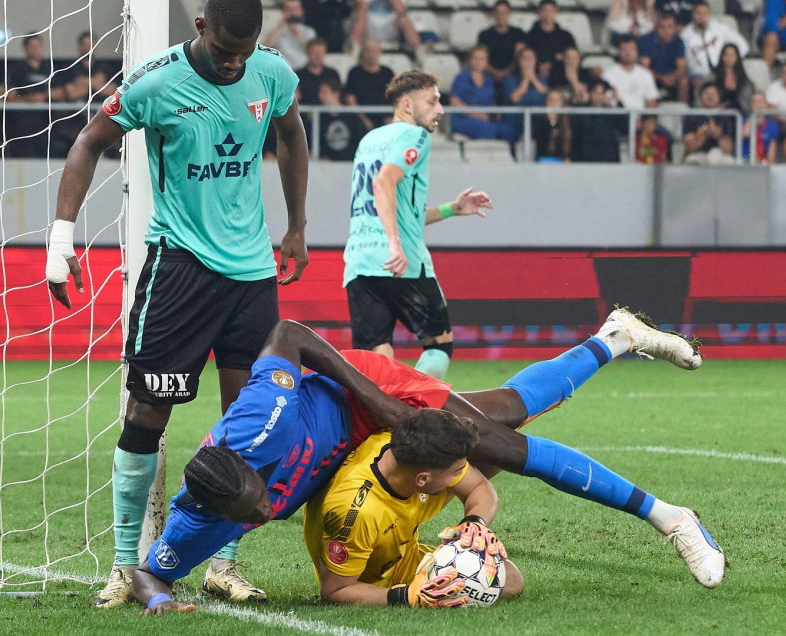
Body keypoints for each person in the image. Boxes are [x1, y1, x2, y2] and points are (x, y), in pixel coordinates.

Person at [130, 311, 718, 615]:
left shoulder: (262, 421)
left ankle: (671, 518)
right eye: (249, 515)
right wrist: (157, 599)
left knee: (499, 448)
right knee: (505, 414)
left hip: (363, 401)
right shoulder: (203, 516)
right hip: (351, 456)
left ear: (252, 465)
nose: (263, 511)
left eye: (259, 497)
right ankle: (615, 338)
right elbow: (150, 572)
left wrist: (375, 399)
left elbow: (289, 334)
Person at [44, 0, 310, 608]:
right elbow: (88, 141)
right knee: (147, 415)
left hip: (251, 276)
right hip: (179, 271)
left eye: (243, 53)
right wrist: (62, 237)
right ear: (200, 28)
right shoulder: (156, 81)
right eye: (223, 52)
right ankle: (121, 566)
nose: (233, 65)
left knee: (249, 424)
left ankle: (225, 563)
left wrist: (296, 227)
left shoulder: (271, 73)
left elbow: (291, 132)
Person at [343, 71, 489, 380]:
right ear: (407, 105)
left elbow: (395, 208)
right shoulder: (414, 136)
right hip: (403, 263)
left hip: (359, 263)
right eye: (433, 101)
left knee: (377, 358)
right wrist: (394, 244)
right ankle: (414, 414)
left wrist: (453, 208)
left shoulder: (370, 139)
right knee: (439, 345)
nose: (441, 109)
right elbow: (383, 184)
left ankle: (385, 424)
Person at [304, 412, 526, 606]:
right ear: (423, 479)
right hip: (367, 582)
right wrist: (407, 596)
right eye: (456, 471)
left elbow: (479, 487)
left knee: (509, 580)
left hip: (404, 558)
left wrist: (476, 523)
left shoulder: (412, 451)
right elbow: (334, 592)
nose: (460, 476)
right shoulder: (357, 512)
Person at [450, 45, 520, 150]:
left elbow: (491, 103)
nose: (478, 61)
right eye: (475, 58)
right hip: (464, 120)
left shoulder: (489, 81)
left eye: (482, 58)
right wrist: (476, 114)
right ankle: (486, 161)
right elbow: (454, 101)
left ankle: (512, 161)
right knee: (486, 128)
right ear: (470, 60)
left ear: (487, 61)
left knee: (508, 131)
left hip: (486, 120)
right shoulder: (461, 78)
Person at [5, 34, 55, 157]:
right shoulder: (17, 70)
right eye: (32, 46)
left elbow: (62, 91)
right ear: (26, 48)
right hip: (22, 127)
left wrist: (45, 95)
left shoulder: (49, 68)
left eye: (38, 45)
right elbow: (10, 96)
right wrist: (30, 99)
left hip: (46, 125)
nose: (35, 49)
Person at [680, 1, 749, 88]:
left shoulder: (719, 28)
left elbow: (743, 45)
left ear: (709, 14)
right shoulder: (685, 35)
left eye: (705, 13)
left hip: (723, 69)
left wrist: (733, 60)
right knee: (697, 80)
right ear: (693, 14)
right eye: (698, 13)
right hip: (700, 74)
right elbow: (690, 62)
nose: (702, 17)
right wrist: (705, 75)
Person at [638, 12, 689, 103]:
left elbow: (681, 66)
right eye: (662, 27)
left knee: (683, 82)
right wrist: (661, 78)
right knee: (644, 78)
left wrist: (673, 77)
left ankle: (682, 112)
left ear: (674, 28)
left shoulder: (678, 42)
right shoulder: (645, 40)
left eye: (669, 27)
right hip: (653, 76)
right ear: (656, 27)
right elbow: (645, 67)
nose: (666, 31)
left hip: (672, 77)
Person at [345, 38, 395, 129]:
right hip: (360, 120)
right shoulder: (354, 73)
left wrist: (391, 118)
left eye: (374, 50)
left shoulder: (388, 73)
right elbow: (350, 99)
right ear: (363, 52)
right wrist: (362, 119)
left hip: (386, 119)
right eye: (368, 50)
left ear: (380, 52)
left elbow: (395, 97)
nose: (371, 54)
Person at [682, 82, 737, 164]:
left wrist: (717, 135)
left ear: (719, 97)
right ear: (700, 97)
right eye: (707, 93)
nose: (710, 96)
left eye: (713, 93)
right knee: (691, 160)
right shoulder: (692, 116)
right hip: (698, 154)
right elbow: (689, 148)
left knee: (729, 161)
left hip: (719, 154)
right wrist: (703, 135)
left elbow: (728, 149)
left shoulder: (726, 117)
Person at [602, 37, 660, 111]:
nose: (628, 53)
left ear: (637, 51)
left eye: (631, 50)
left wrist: (643, 117)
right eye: (624, 50)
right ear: (619, 52)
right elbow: (605, 101)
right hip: (616, 117)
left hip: (640, 118)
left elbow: (651, 100)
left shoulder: (646, 74)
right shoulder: (608, 74)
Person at [350, 0, 422, 58]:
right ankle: (354, 54)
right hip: (368, 27)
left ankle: (420, 54)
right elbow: (358, 7)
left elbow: (401, 10)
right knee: (361, 19)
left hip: (391, 27)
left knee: (404, 20)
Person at [318, 78, 369, 160]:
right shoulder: (320, 118)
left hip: (350, 164)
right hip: (327, 166)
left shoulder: (351, 116)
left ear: (336, 94)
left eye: (324, 92)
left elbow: (362, 139)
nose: (320, 96)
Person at [524, 0, 578, 78]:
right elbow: (527, 57)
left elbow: (572, 56)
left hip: (562, 71)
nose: (547, 14)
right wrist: (553, 58)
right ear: (539, 13)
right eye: (544, 10)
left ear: (556, 12)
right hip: (536, 72)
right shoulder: (530, 35)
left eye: (551, 10)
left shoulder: (566, 35)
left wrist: (553, 61)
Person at [504, 46, 549, 137]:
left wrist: (533, 78)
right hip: (515, 122)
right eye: (524, 58)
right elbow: (515, 98)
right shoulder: (510, 79)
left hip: (536, 123)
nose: (527, 61)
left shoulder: (542, 80)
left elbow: (547, 96)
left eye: (530, 58)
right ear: (519, 61)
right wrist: (526, 79)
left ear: (535, 61)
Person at [573, 80, 622, 162]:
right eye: (595, 93)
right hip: (585, 159)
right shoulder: (582, 111)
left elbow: (624, 125)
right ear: (589, 94)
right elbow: (576, 126)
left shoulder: (612, 112)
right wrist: (580, 101)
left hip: (608, 159)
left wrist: (617, 100)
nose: (598, 97)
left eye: (601, 93)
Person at [478, 0, 527, 81]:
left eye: (504, 12)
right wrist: (495, 73)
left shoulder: (518, 33)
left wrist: (506, 72)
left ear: (509, 13)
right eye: (498, 12)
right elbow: (481, 57)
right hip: (489, 75)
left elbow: (519, 56)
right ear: (493, 13)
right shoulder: (484, 35)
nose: (501, 15)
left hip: (513, 74)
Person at [263, 0, 318, 71]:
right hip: (282, 71)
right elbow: (264, 49)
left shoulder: (309, 31)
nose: (292, 13)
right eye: (288, 9)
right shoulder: (277, 31)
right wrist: (278, 28)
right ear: (283, 12)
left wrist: (297, 33)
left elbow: (313, 52)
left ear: (301, 11)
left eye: (295, 9)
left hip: (305, 72)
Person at [296, 38, 342, 106]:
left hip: (329, 114)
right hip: (304, 115)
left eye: (321, 53)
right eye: (314, 52)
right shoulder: (297, 75)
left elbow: (340, 98)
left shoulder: (332, 74)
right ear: (307, 52)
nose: (318, 56)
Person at [533, 88, 574, 162]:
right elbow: (540, 141)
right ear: (546, 102)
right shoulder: (539, 120)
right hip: (543, 160)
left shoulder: (569, 120)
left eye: (557, 100)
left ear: (562, 103)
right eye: (551, 100)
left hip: (563, 160)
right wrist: (550, 122)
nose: (553, 103)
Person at [712, 42, 753, 113]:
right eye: (726, 55)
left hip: (740, 112)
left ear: (737, 57)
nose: (729, 58)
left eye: (732, 55)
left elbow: (746, 102)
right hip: (718, 112)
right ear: (722, 56)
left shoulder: (743, 77)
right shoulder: (713, 75)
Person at [743, 91, 780, 163]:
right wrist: (754, 116)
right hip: (745, 160)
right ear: (751, 105)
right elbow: (745, 134)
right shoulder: (745, 119)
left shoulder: (772, 125)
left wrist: (770, 166)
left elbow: (772, 149)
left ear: (765, 105)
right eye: (754, 102)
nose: (758, 105)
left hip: (763, 160)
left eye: (760, 101)